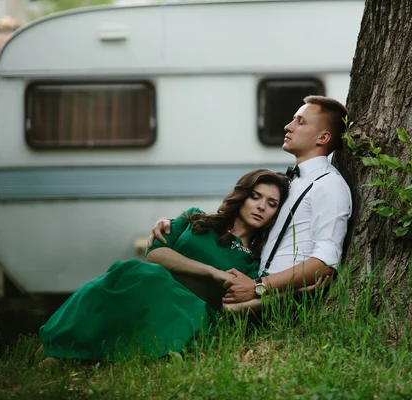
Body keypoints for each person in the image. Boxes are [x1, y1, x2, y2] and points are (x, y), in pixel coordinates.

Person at [38, 169, 289, 362]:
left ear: (276, 214)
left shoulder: (253, 263)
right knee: (132, 272)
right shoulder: (196, 219)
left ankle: (73, 356)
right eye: (255, 196)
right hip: (149, 286)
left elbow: (235, 307)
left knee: (144, 279)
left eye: (271, 203)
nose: (260, 206)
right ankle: (62, 343)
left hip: (188, 312)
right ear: (242, 196)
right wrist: (212, 272)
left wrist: (295, 291)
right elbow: (156, 255)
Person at [149, 96, 352, 310]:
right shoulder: (292, 182)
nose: (288, 126)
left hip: (273, 300)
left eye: (300, 122)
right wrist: (173, 223)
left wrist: (258, 286)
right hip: (251, 291)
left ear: (323, 137)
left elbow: (327, 260)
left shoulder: (329, 185)